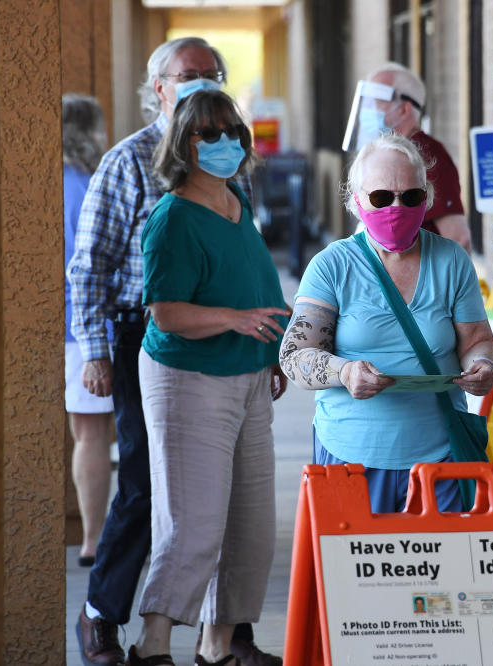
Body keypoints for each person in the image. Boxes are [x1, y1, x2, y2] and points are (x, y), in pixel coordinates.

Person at [67, 37, 280, 666]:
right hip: (149, 335)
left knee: (235, 510)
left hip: (235, 346)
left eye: (212, 75)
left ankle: (225, 639)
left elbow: (248, 261)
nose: (201, 82)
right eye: (190, 76)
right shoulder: (129, 163)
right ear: (158, 85)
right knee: (145, 486)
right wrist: (96, 350)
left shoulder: (233, 177)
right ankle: (106, 618)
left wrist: (264, 341)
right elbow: (92, 266)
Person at [126, 88, 290, 666]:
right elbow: (167, 313)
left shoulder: (237, 198)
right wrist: (236, 320)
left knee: (250, 526)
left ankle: (217, 649)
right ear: (183, 145)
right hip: (188, 378)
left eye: (232, 133)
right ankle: (151, 646)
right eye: (208, 135)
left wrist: (267, 350)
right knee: (193, 524)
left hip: (247, 376)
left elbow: (251, 278)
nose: (224, 145)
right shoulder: (172, 218)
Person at [279, 133, 493, 513]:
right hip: (351, 459)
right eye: (381, 197)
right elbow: (295, 355)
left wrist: (483, 364)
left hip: (440, 461)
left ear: (426, 197)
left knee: (444, 571)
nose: (396, 207)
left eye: (410, 196)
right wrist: (344, 372)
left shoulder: (451, 261)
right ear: (357, 200)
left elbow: (477, 338)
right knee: (357, 571)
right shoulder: (333, 266)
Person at [344, 62, 472, 252]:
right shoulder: (382, 155)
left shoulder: (426, 156)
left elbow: (459, 239)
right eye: (366, 102)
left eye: (376, 102)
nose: (367, 110)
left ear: (404, 109)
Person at [63, 93, 113, 568]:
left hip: (69, 330)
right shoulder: (98, 178)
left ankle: (92, 539)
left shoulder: (44, 182)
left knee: (90, 436)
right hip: (107, 323)